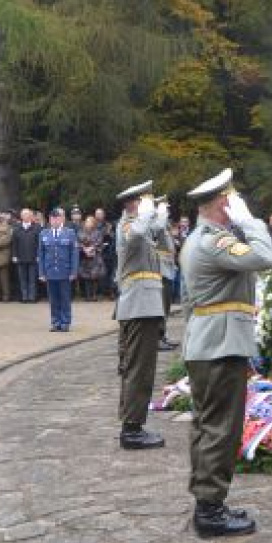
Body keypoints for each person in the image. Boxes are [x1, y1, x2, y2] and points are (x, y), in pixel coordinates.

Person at [178, 167, 272, 538]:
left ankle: (208, 501)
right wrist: (251, 222)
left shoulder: (196, 239)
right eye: (232, 200)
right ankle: (210, 510)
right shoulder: (213, 242)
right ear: (223, 204)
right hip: (220, 345)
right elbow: (264, 257)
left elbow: (188, 301)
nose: (236, 205)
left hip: (207, 342)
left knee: (208, 425)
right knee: (222, 427)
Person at [115, 181, 167, 450]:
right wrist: (146, 212)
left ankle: (132, 424)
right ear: (133, 204)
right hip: (139, 306)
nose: (150, 206)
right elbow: (135, 234)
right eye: (145, 201)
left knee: (138, 368)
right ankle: (132, 430)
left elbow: (156, 231)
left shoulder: (141, 228)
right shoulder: (128, 226)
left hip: (143, 306)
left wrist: (160, 214)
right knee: (139, 369)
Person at [38, 207, 79, 330]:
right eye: (52, 218)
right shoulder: (44, 233)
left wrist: (73, 271)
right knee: (53, 299)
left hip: (64, 271)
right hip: (50, 271)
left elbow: (74, 254)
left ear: (62, 219)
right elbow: (41, 254)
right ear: (49, 220)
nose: (54, 220)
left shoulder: (70, 233)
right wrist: (41, 272)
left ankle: (65, 322)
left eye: (57, 218)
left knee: (65, 298)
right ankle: (55, 322)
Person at [155, 200, 178, 351]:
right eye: (165, 210)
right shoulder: (158, 225)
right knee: (161, 306)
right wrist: (160, 213)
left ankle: (162, 335)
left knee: (166, 306)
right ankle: (157, 338)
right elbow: (159, 227)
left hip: (168, 268)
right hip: (161, 270)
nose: (167, 212)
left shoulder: (166, 226)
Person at [12, 207, 40, 302]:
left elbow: (39, 243)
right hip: (20, 257)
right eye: (24, 214)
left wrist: (38, 255)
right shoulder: (17, 228)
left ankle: (32, 297)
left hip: (33, 257)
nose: (26, 216)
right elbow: (14, 243)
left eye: (27, 214)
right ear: (21, 216)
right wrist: (14, 255)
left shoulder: (37, 227)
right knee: (22, 279)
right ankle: (24, 297)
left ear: (31, 216)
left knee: (32, 279)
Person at [77, 215, 104, 301]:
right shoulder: (81, 232)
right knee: (86, 277)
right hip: (85, 257)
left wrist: (92, 248)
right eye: (87, 221)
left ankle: (94, 295)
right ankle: (88, 295)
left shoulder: (98, 232)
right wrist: (84, 249)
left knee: (95, 277)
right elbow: (78, 242)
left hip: (95, 257)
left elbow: (99, 242)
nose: (88, 223)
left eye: (90, 221)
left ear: (93, 223)